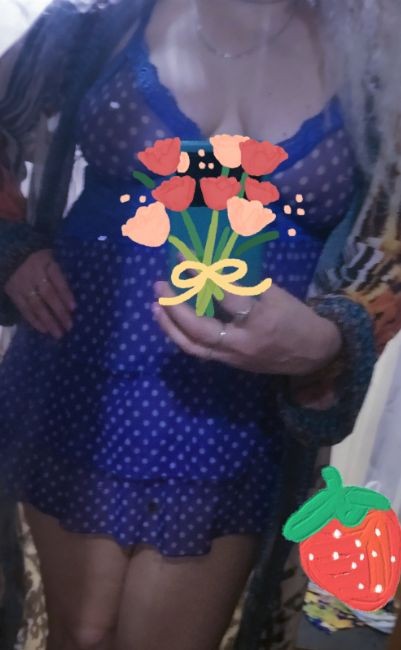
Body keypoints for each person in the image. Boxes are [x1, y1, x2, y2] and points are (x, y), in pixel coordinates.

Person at [0, 1, 400, 649]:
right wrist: (11, 246)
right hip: (79, 379)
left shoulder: (380, 52)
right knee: (81, 634)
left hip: (240, 413)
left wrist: (334, 337)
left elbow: (392, 241)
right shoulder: (99, 17)